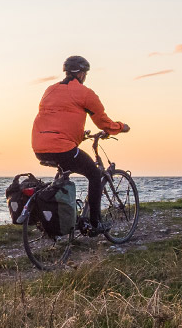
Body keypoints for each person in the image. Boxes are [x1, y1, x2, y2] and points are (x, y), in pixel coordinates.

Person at [32, 55, 130, 228]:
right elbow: (103, 122)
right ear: (82, 74)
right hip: (62, 148)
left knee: (64, 172)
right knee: (93, 174)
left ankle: (61, 218)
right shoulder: (86, 93)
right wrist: (120, 127)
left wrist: (78, 134)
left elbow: (57, 117)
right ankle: (95, 223)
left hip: (39, 146)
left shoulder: (50, 90)